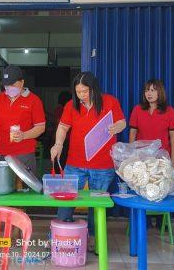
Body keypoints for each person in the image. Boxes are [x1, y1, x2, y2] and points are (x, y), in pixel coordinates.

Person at [50, 71, 126, 251]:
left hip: (102, 165)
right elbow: (63, 127)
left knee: (95, 205)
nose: (82, 95)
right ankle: (60, 236)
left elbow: (123, 122)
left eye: (85, 91)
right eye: (78, 91)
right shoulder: (71, 105)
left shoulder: (110, 102)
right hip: (75, 163)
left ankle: (94, 241)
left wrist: (117, 127)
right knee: (67, 201)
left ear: (94, 89)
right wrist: (58, 144)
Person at [0, 65, 45, 176]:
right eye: (6, 85)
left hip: (24, 154)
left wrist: (23, 135)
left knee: (24, 188)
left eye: (12, 84)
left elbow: (40, 127)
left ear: (22, 82)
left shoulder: (34, 100)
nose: (9, 88)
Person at [129, 79, 174, 169]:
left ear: (160, 92)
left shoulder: (169, 111)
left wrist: (173, 156)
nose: (149, 93)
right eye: (146, 90)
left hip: (162, 159)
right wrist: (132, 154)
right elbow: (132, 133)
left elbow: (173, 136)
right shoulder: (137, 110)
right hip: (141, 158)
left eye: (152, 90)